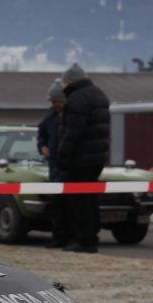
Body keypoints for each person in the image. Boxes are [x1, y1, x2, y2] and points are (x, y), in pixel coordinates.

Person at [54, 62, 110, 253]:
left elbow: (73, 131)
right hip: (97, 157)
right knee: (90, 199)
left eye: (64, 82)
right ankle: (91, 236)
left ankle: (84, 240)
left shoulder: (77, 99)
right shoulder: (98, 93)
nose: (63, 85)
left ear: (70, 81)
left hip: (81, 158)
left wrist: (62, 154)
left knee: (79, 201)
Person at [36, 79, 69, 247]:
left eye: (58, 101)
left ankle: (69, 238)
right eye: (53, 101)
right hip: (54, 169)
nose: (55, 104)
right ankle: (58, 238)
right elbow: (41, 135)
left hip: (67, 168)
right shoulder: (49, 118)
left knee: (69, 206)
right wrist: (42, 146)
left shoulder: (69, 117)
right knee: (57, 206)